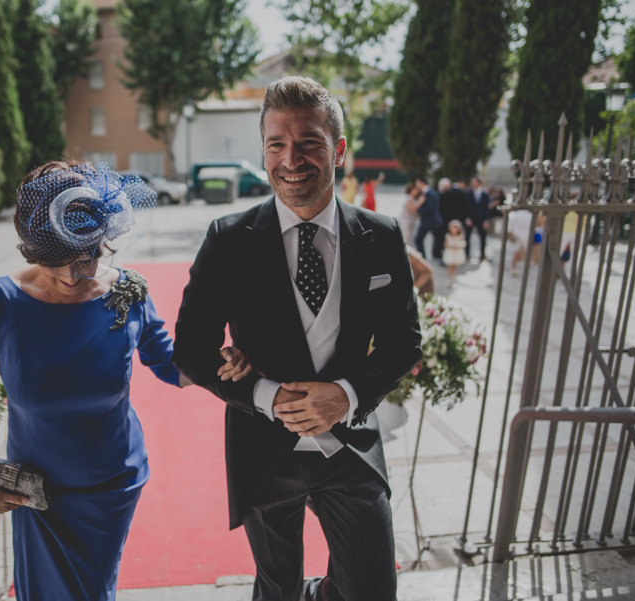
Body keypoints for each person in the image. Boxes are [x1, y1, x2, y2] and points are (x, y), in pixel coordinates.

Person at [0, 160, 252, 601]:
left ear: (102, 243)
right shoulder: (0, 303)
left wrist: (218, 363)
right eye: (57, 263)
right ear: (34, 250)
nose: (71, 275)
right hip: (37, 494)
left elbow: (167, 363)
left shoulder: (127, 293)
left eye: (85, 259)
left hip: (112, 486)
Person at [173, 76, 422, 601]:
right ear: (263, 151)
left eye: (309, 141)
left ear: (339, 149)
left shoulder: (380, 236)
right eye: (276, 144)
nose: (292, 159)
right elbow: (191, 349)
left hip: (350, 447)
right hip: (264, 452)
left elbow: (405, 342)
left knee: (371, 591)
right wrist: (265, 396)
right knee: (277, 589)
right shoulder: (227, 240)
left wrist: (347, 394)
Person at [434, 177, 468, 261]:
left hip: (446, 219)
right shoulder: (462, 193)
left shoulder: (444, 194)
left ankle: (444, 255)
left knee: (445, 237)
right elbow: (465, 208)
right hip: (459, 219)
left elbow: (440, 208)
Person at [413, 176, 443, 259]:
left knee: (418, 239)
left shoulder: (428, 193)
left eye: (417, 183)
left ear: (422, 183)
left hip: (429, 221)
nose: (416, 185)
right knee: (436, 239)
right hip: (432, 220)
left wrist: (418, 210)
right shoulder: (430, 192)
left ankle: (422, 258)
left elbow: (429, 208)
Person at [464, 176, 491, 261]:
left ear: (479, 183)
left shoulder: (484, 194)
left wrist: (486, 220)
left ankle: (482, 254)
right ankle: (467, 253)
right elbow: (466, 207)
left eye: (474, 182)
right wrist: (467, 218)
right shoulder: (468, 193)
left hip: (481, 219)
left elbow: (487, 208)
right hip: (471, 218)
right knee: (467, 237)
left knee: (482, 237)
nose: (473, 184)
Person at [507, 208, 533, 276]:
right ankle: (517, 268)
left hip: (520, 236)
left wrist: (513, 235)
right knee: (523, 253)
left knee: (519, 252)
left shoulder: (517, 214)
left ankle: (514, 268)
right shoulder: (529, 215)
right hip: (525, 236)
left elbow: (510, 227)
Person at [399, 181, 424, 247]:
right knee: (406, 239)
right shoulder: (409, 198)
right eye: (415, 190)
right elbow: (410, 209)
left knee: (409, 239)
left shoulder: (412, 198)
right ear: (411, 190)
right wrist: (420, 202)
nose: (417, 191)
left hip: (410, 222)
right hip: (406, 222)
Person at [443, 219, 467, 285]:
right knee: (449, 267)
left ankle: (454, 278)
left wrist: (457, 246)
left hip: (456, 253)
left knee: (455, 267)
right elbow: (445, 244)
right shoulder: (448, 235)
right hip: (450, 253)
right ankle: (449, 279)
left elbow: (463, 243)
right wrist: (450, 246)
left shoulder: (460, 236)